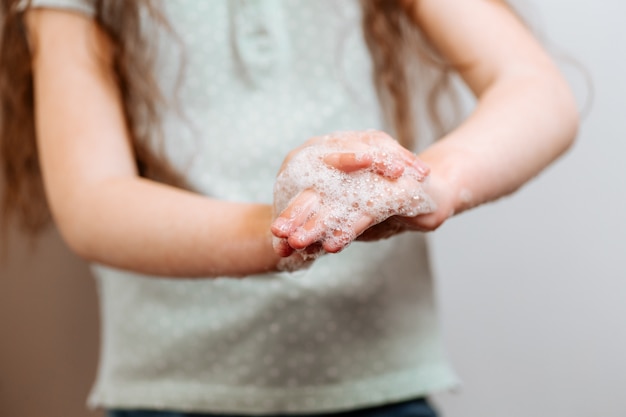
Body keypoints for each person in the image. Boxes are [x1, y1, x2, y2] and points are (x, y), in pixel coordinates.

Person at [0, 0, 578, 416]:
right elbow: (93, 201)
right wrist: (286, 227)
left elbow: (535, 89)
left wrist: (435, 184)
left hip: (381, 385)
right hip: (174, 394)